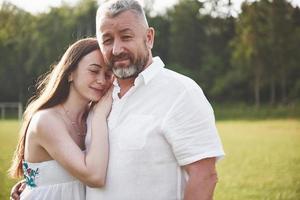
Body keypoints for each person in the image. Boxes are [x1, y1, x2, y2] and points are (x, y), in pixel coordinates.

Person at [11, 0, 225, 199]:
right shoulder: (99, 98)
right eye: (107, 39)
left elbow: (205, 176)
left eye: (126, 36)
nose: (117, 49)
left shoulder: (181, 92)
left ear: (149, 37)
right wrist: (37, 182)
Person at [9, 38, 113, 200]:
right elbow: (94, 177)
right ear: (70, 73)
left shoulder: (92, 115)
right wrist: (99, 116)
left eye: (108, 74)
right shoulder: (46, 121)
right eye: (94, 71)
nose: (102, 80)